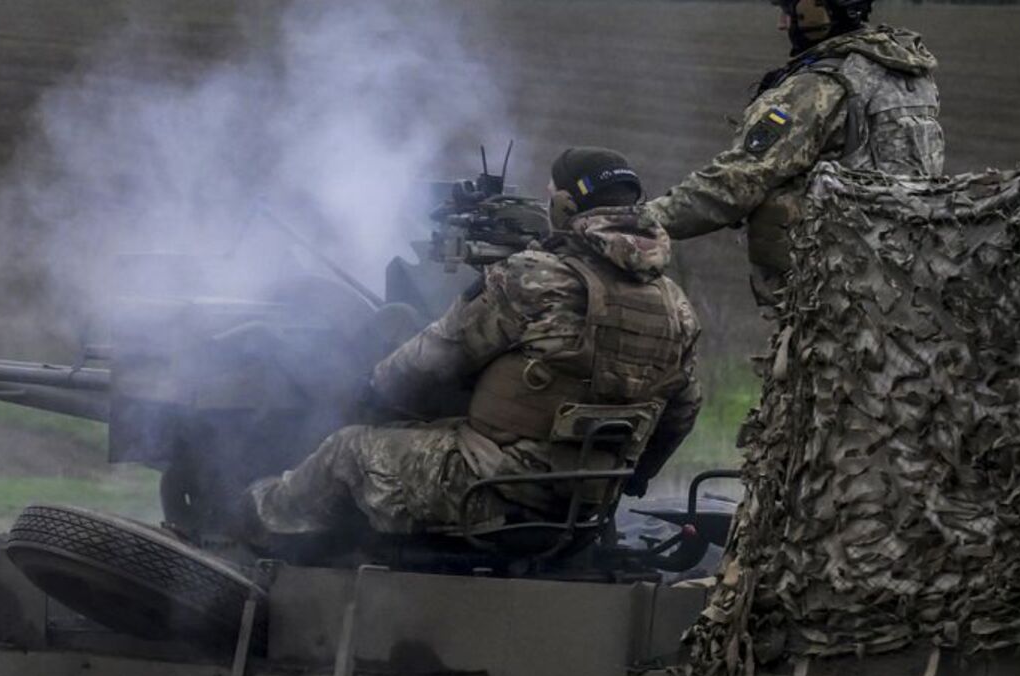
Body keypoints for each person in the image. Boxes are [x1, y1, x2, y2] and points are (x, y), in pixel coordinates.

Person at [247, 148, 702, 538]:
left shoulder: (532, 279)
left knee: (345, 450)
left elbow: (433, 359)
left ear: (565, 205)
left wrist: (370, 393)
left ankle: (259, 527)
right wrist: (634, 476)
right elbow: (682, 409)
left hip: (491, 491)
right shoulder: (676, 305)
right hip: (583, 504)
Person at [641, 0, 944, 310]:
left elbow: (739, 179)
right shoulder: (906, 73)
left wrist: (643, 218)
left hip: (831, 287)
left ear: (819, 10)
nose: (782, 24)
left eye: (791, 11)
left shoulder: (818, 86)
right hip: (902, 275)